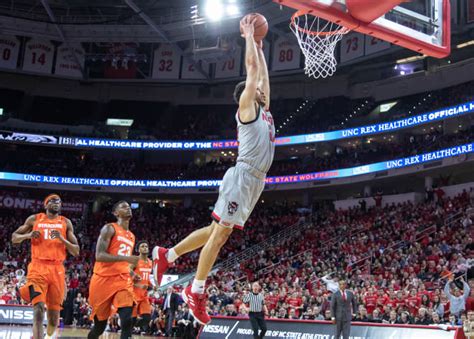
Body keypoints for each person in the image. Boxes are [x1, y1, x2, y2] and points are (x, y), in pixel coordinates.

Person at [151, 15, 275, 325]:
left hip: (254, 182)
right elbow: (253, 73)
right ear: (246, 94)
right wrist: (248, 38)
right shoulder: (247, 106)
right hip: (242, 176)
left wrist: (260, 46)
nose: (261, 88)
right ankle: (195, 290)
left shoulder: (265, 109)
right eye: (256, 88)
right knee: (218, 237)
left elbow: (263, 75)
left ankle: (168, 255)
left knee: (216, 230)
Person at [12, 193, 80, 339]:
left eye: (59, 201)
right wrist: (27, 236)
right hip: (37, 267)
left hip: (57, 270)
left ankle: (48, 337)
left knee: (53, 317)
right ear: (45, 204)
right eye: (52, 201)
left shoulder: (66, 222)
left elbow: (76, 251)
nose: (56, 203)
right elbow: (14, 238)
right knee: (38, 309)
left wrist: (62, 239)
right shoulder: (34, 219)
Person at [87, 201, 140, 339]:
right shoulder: (109, 228)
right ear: (116, 213)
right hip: (103, 279)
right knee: (99, 327)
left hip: (122, 280)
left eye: (129, 206)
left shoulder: (132, 236)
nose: (128, 208)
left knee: (127, 319)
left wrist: (131, 271)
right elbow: (99, 255)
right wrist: (127, 259)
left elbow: (123, 261)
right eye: (123, 206)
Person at [130, 240, 153, 334]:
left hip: (144, 296)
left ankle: (128, 325)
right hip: (134, 294)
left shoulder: (150, 262)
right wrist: (135, 276)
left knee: (147, 318)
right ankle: (128, 329)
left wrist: (151, 285)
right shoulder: (135, 260)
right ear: (138, 249)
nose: (145, 248)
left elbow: (146, 278)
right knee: (132, 318)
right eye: (143, 246)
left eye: (146, 246)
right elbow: (127, 270)